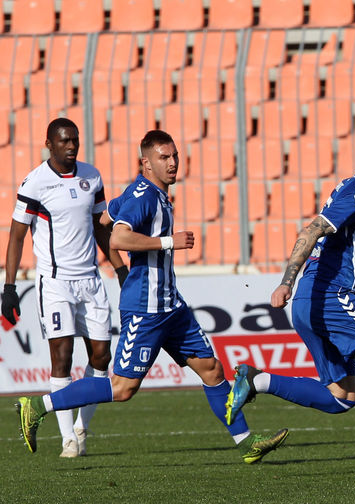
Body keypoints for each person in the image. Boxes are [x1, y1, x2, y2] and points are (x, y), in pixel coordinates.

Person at [14, 130, 287, 464]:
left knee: (213, 370)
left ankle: (247, 444)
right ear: (146, 163)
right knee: (123, 388)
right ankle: (38, 406)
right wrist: (168, 242)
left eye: (174, 156)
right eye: (163, 157)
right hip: (146, 308)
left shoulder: (146, 192)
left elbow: (105, 217)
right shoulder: (145, 198)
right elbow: (118, 239)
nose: (172, 163)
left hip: (172, 306)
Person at [224, 127, 355, 478]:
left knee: (342, 398)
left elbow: (334, 254)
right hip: (327, 297)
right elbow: (310, 232)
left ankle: (256, 380)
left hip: (314, 300)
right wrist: (284, 283)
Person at [1, 118, 127, 458]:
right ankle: (68, 441)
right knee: (63, 357)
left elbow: (102, 228)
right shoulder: (35, 183)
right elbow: (16, 236)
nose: (71, 146)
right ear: (50, 144)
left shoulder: (92, 176)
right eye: (65, 141)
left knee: (102, 357)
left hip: (91, 280)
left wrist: (119, 267)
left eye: (75, 140)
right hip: (55, 282)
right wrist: (8, 286)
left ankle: (80, 427)